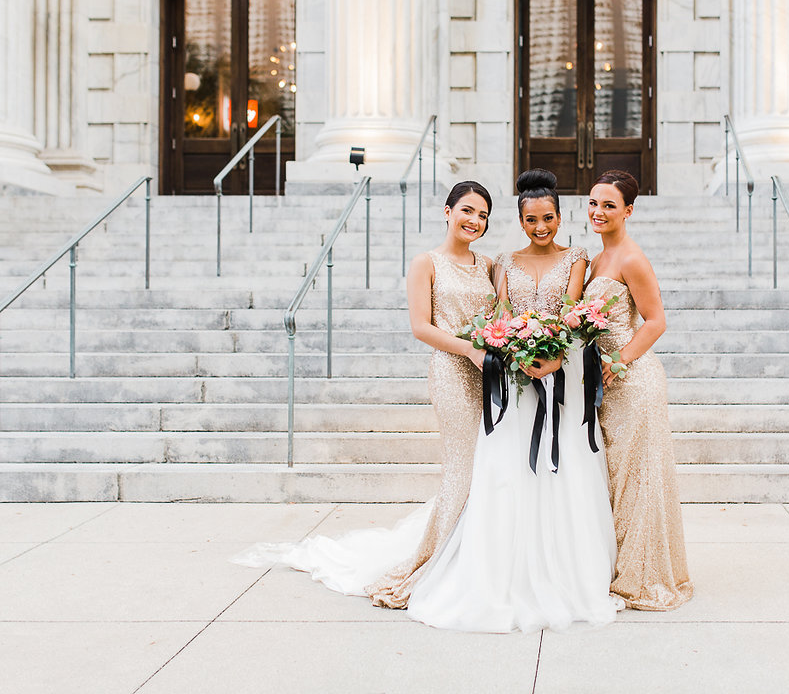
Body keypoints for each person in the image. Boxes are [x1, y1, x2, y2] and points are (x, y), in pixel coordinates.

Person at [231, 182, 496, 608]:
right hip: (453, 372)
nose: (475, 221)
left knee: (490, 465)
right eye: (467, 210)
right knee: (462, 469)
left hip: (492, 374)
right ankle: (439, 561)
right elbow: (421, 326)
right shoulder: (425, 262)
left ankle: (478, 554)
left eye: (483, 215)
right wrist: (469, 349)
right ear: (447, 211)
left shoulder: (487, 265)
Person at [406, 169, 619, 633]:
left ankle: (568, 569)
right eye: (530, 219)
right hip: (513, 374)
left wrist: (554, 354)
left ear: (560, 216)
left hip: (563, 372)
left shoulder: (578, 256)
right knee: (508, 467)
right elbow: (499, 315)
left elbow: (570, 309)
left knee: (564, 470)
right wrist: (517, 353)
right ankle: (504, 565)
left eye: (548, 218)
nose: (540, 227)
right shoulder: (500, 262)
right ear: (520, 220)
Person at [583, 169, 694, 611]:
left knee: (639, 477)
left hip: (635, 380)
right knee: (615, 476)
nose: (598, 211)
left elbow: (656, 321)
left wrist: (621, 360)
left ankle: (643, 575)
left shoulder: (631, 258)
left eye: (609, 205)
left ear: (628, 210)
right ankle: (618, 564)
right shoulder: (594, 261)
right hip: (607, 383)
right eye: (593, 202)